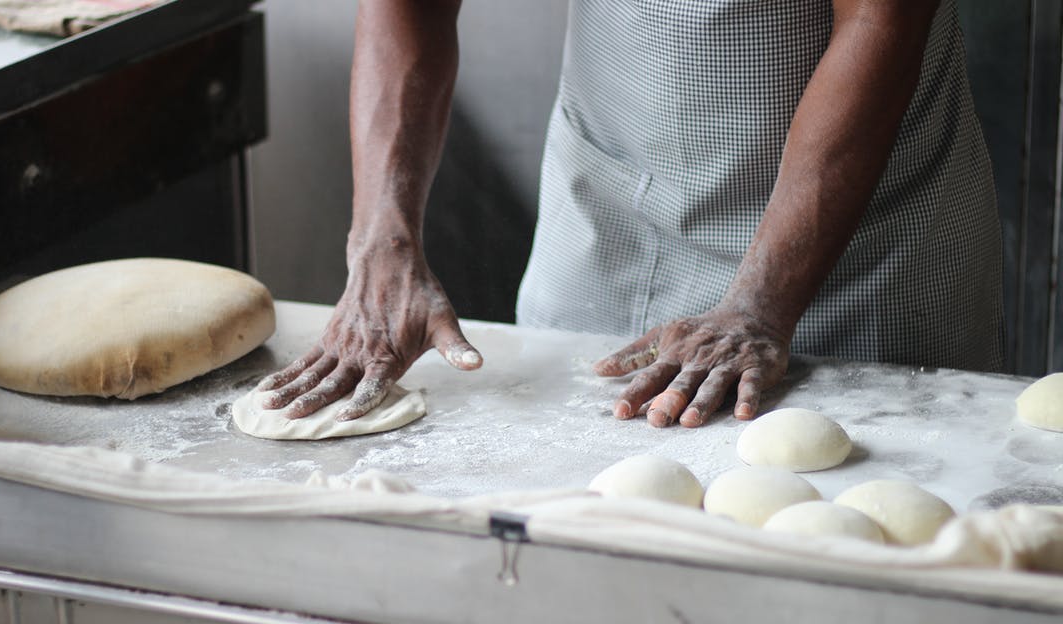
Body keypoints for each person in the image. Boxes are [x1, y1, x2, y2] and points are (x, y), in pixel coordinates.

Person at [256, 0, 1003, 429]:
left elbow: (882, 18)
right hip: (610, 207)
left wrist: (762, 302)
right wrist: (382, 238)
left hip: (860, 250)